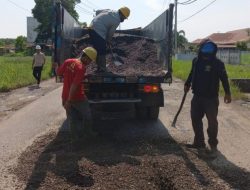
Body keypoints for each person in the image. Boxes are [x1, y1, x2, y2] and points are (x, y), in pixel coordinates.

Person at [184, 39, 231, 157]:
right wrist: (187, 83)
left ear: (214, 51)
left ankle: (213, 145)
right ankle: (199, 142)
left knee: (212, 122)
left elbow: (224, 79)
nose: (206, 52)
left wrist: (227, 93)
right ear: (201, 50)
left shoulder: (218, 64)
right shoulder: (196, 61)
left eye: (209, 49)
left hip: (211, 98)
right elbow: (191, 73)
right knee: (195, 119)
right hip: (197, 96)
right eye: (205, 49)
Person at [56, 47, 97, 143]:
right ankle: (88, 133)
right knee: (87, 116)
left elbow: (59, 73)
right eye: (90, 60)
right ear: (86, 58)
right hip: (77, 97)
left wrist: (56, 66)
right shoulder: (81, 68)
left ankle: (74, 140)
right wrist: (69, 101)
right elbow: (74, 85)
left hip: (65, 96)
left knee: (72, 119)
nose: (90, 62)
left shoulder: (68, 61)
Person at [89, 6, 130, 73]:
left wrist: (100, 20)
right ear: (122, 14)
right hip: (98, 30)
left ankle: (99, 67)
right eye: (124, 18)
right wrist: (108, 40)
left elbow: (97, 11)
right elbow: (111, 33)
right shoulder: (117, 20)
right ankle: (102, 68)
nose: (124, 19)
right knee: (102, 50)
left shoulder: (109, 11)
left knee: (98, 49)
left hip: (91, 27)